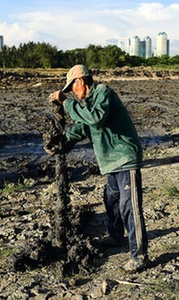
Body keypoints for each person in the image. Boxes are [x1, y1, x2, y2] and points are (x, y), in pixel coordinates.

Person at [45, 64, 149, 273]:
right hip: (111, 162)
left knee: (131, 207)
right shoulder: (87, 105)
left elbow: (95, 118)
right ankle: (116, 237)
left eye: (72, 89)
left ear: (81, 82)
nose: (72, 94)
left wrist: (66, 103)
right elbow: (82, 128)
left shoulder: (103, 93)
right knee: (111, 200)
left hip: (125, 157)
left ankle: (139, 256)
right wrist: (62, 143)